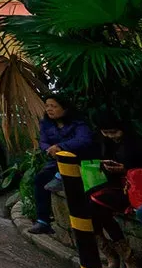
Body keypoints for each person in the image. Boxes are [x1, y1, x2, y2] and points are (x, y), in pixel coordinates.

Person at [89, 113, 142, 268]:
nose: (110, 136)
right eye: (106, 133)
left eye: (114, 132)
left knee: (96, 204)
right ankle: (121, 253)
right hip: (115, 185)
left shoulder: (139, 144)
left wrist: (125, 169)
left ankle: (126, 255)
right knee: (94, 206)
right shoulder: (105, 143)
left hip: (136, 189)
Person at [29, 93, 94, 234]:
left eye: (54, 106)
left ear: (65, 109)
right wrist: (49, 149)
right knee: (40, 178)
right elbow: (43, 142)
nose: (49, 109)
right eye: (47, 106)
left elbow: (84, 140)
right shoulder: (46, 124)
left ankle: (60, 178)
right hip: (56, 161)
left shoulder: (78, 124)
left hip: (80, 161)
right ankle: (43, 221)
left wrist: (61, 146)